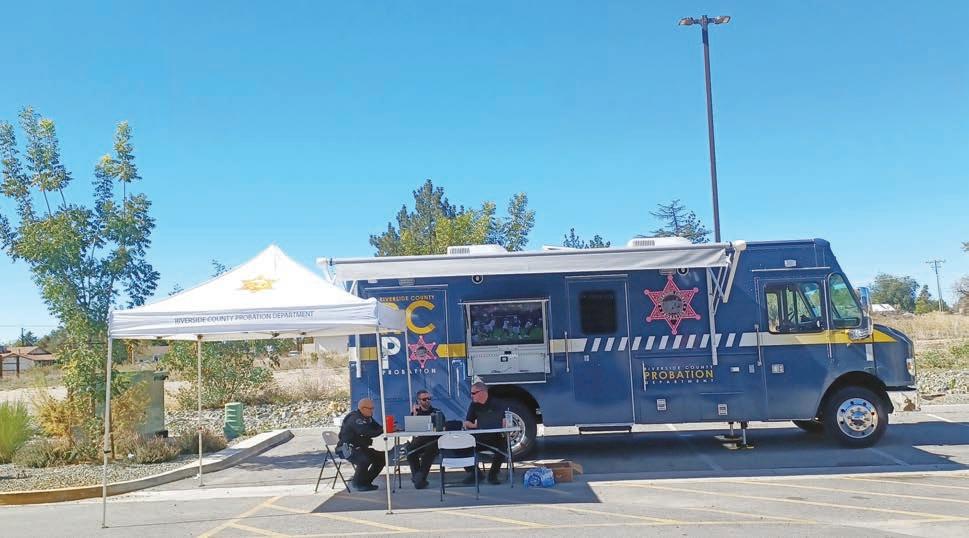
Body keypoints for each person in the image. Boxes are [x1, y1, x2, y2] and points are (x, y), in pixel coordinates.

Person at [462, 381, 508, 485]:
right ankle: (476, 474)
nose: (471, 396)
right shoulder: (473, 405)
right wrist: (475, 426)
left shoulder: (497, 403)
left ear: (482, 392)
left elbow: (504, 421)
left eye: (474, 393)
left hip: (495, 437)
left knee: (502, 449)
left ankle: (493, 475)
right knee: (462, 448)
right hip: (479, 438)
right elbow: (467, 423)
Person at [338, 398, 384, 491]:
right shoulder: (355, 418)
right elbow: (367, 432)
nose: (372, 411)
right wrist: (383, 429)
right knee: (364, 459)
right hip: (346, 449)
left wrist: (388, 427)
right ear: (362, 408)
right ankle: (357, 483)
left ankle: (366, 482)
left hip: (360, 448)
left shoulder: (368, 418)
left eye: (373, 408)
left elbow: (377, 428)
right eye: (370, 408)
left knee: (382, 458)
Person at [405, 389, 441, 489]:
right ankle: (419, 478)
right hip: (419, 440)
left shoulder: (436, 412)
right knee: (410, 451)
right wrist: (414, 414)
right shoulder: (415, 413)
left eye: (429, 398)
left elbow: (442, 426)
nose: (427, 401)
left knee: (430, 451)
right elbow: (411, 429)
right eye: (424, 399)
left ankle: (418, 479)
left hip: (432, 441)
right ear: (418, 401)